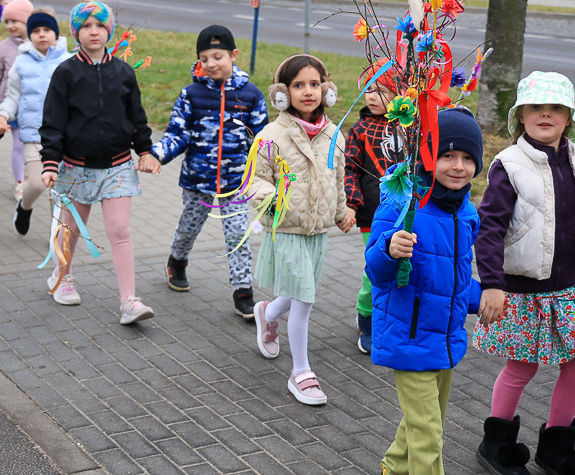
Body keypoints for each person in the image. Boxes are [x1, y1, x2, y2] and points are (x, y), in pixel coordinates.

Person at [473, 71, 575, 475]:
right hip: (521, 290)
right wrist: (491, 284)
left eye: (555, 108)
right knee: (521, 368)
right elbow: (489, 229)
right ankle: (496, 445)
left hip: (567, 288)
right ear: (520, 115)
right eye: (536, 107)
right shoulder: (509, 165)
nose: (545, 114)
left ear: (568, 117)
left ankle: (556, 449)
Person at [366, 107, 489, 475]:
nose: (458, 166)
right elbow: (376, 272)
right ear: (427, 156)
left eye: (468, 158)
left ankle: (393, 467)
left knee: (422, 422)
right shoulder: (402, 203)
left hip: (446, 336)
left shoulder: (466, 213)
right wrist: (390, 248)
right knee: (429, 435)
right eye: (447, 155)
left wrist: (481, 297)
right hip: (409, 335)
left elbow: (452, 278)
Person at [39, 0, 160, 325]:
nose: (94, 32)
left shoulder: (123, 72)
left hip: (117, 166)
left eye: (100, 26)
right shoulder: (66, 73)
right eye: (86, 26)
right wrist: (50, 162)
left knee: (119, 230)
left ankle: (129, 302)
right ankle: (62, 276)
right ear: (75, 32)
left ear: (109, 31)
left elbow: (137, 117)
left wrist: (145, 151)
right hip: (76, 166)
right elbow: (52, 122)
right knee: (72, 229)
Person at [251, 54, 356, 406]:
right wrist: (271, 198)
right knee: (305, 299)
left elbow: (337, 178)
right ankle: (301, 372)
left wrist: (341, 212)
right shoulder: (271, 136)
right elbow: (255, 179)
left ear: (327, 90)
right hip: (288, 229)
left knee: (298, 292)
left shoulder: (334, 135)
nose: (308, 91)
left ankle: (267, 313)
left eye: (314, 84)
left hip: (318, 231)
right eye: (298, 85)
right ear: (282, 93)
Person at [150, 24, 268, 319]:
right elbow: (178, 133)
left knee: (238, 235)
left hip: (235, 182)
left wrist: (271, 172)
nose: (211, 64)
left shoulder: (250, 95)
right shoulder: (191, 94)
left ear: (233, 55)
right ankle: (177, 261)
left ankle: (243, 291)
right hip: (197, 180)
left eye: (217, 57)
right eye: (204, 59)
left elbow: (261, 140)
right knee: (188, 228)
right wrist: (156, 154)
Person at [0, 9, 71, 235]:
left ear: (55, 33)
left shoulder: (68, 61)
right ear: (30, 35)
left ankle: (57, 236)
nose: (42, 35)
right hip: (33, 135)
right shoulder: (21, 62)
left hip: (65, 137)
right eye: (36, 31)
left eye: (47, 30)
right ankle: (24, 207)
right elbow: (12, 96)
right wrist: (2, 115)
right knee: (36, 183)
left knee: (60, 189)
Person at [344, 58, 405, 354]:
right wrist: (351, 204)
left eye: (381, 90)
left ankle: (391, 317)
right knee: (375, 269)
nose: (372, 96)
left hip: (405, 212)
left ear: (397, 94)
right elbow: (350, 170)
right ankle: (366, 317)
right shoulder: (359, 129)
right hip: (372, 213)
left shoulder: (408, 127)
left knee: (402, 267)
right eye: (368, 89)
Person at [0, 0, 33, 200]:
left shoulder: (40, 44)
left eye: (15, 21)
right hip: (13, 106)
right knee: (19, 144)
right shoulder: (1, 49)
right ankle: (20, 182)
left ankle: (33, 175)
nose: (10, 26)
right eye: (7, 21)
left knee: (36, 145)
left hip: (37, 105)